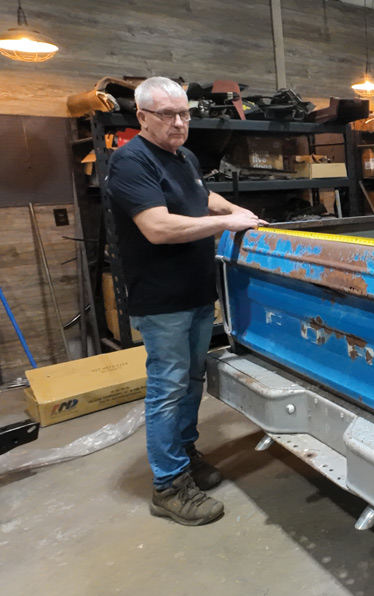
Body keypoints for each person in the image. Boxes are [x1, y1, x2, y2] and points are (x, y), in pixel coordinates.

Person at [107, 76, 265, 526]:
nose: (179, 123)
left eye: (184, 114)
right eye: (167, 115)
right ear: (141, 117)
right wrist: (226, 227)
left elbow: (200, 194)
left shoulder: (184, 155)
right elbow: (157, 227)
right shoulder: (130, 161)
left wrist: (232, 211)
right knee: (167, 388)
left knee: (192, 381)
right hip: (162, 301)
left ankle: (184, 453)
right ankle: (168, 486)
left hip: (196, 292)